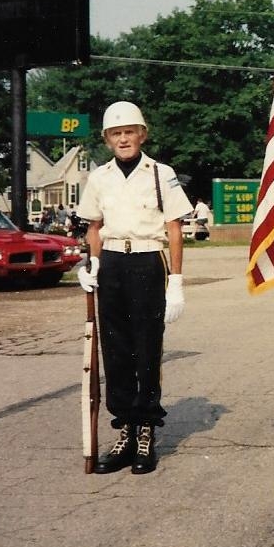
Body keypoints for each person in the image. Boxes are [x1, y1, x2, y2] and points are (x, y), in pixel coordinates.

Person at [76, 101, 192, 475]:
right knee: (115, 350)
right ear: (107, 139)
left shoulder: (161, 174)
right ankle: (124, 429)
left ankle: (145, 430)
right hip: (111, 262)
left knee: (146, 349)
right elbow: (93, 226)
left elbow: (174, 229)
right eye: (116, 133)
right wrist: (90, 263)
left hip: (147, 260)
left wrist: (176, 280)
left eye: (129, 132)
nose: (123, 138)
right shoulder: (99, 177)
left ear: (142, 134)